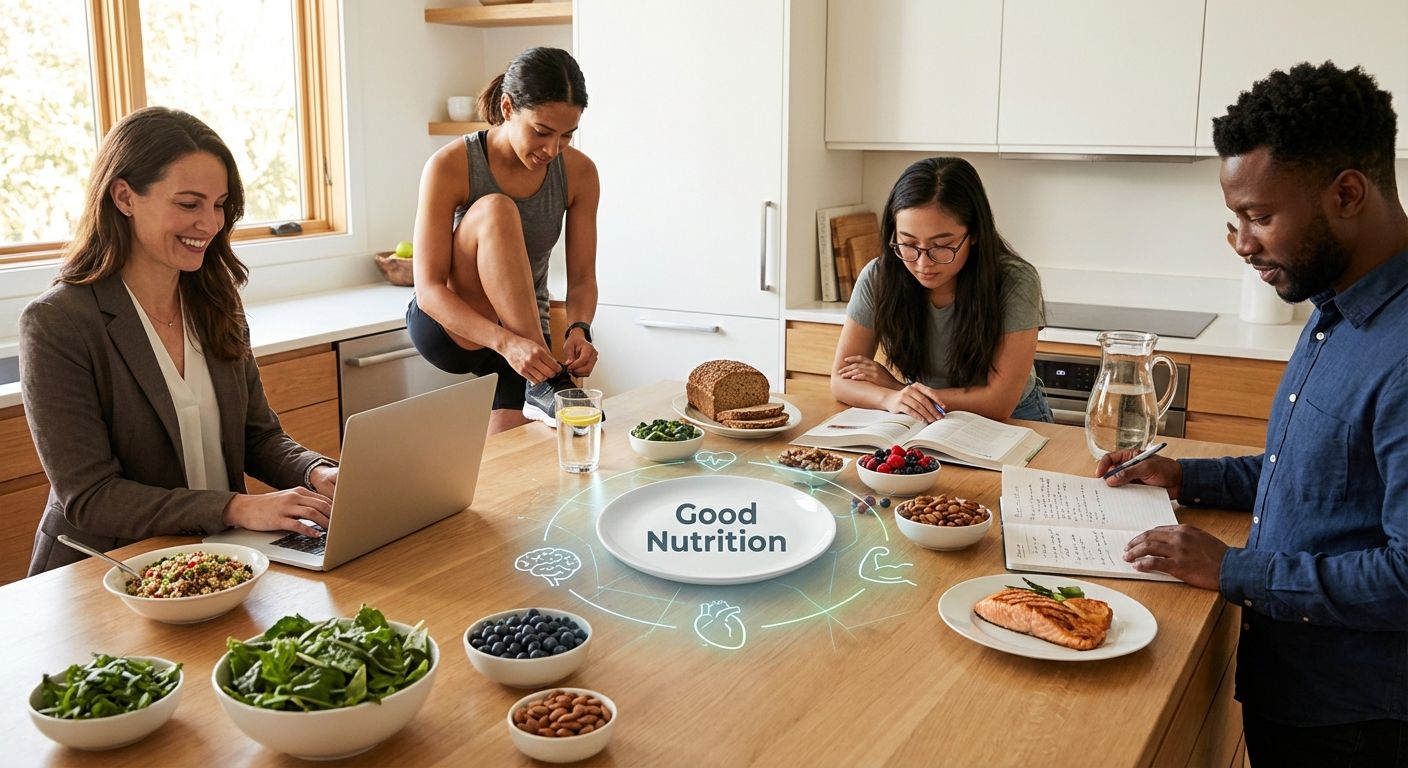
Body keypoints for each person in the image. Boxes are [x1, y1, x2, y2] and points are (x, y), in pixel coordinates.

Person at [1102, 62, 1408, 764]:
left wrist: (1232, 570)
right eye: (1234, 220)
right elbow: (1313, 476)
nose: (1243, 243)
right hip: (1292, 690)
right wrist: (1186, 478)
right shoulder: (1336, 306)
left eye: (1260, 217)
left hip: (1359, 723)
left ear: (1348, 193)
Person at [20, 107, 339, 576]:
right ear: (124, 197)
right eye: (189, 204)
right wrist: (237, 508)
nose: (210, 225)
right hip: (107, 572)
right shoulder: (57, 323)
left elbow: (258, 435)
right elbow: (91, 497)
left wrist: (317, 472)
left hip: (213, 562)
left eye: (219, 205)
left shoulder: (214, 299)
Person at [406, 47, 600, 434]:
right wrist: (507, 343)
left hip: (528, 332)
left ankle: (539, 382)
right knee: (496, 208)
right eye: (542, 132)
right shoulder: (450, 165)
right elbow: (428, 290)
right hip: (452, 324)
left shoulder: (580, 173)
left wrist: (579, 328)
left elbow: (581, 279)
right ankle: (544, 381)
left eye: (567, 135)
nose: (552, 149)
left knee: (520, 472)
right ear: (508, 108)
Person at [830, 157, 1051, 423]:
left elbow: (998, 402)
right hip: (921, 416)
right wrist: (889, 399)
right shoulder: (878, 276)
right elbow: (841, 381)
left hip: (1014, 418)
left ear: (976, 233)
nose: (923, 264)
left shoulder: (1015, 281)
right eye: (908, 244)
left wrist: (899, 389)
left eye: (941, 246)